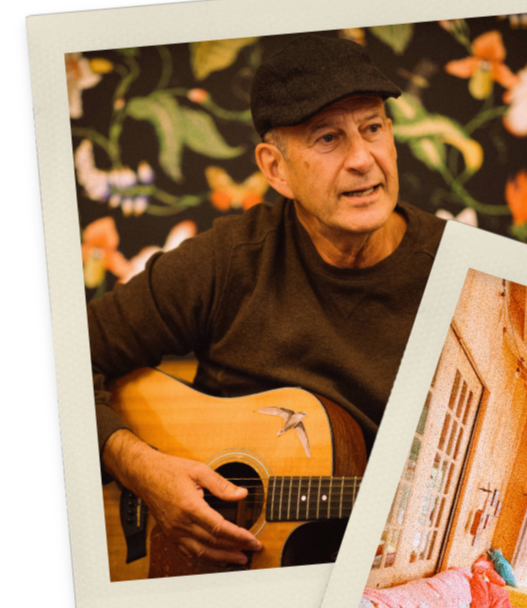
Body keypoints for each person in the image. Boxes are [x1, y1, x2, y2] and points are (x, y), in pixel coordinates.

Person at [91, 34, 445, 570]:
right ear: (276, 168)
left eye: (373, 128)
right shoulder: (228, 260)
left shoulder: (463, 277)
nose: (362, 159)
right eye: (328, 138)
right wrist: (139, 467)